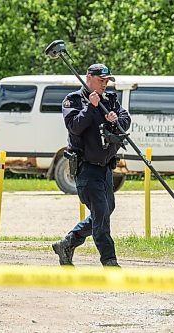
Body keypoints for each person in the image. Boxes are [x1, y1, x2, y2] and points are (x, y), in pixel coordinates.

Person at [52, 63, 131, 267]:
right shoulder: (73, 100)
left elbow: (126, 119)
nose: (105, 85)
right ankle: (110, 262)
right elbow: (75, 127)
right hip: (86, 168)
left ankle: (68, 243)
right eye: (101, 81)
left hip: (105, 168)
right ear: (89, 78)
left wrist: (115, 119)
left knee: (105, 210)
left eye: (107, 81)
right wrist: (90, 107)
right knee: (101, 216)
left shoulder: (110, 100)